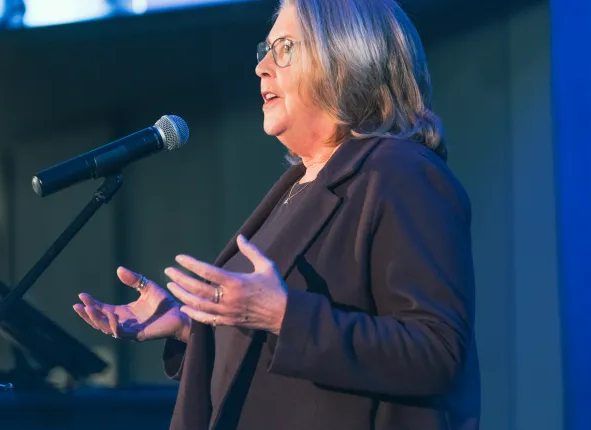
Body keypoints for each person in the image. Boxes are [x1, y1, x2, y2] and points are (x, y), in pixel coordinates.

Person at [73, 0, 480, 428]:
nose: (262, 67)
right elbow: (282, 343)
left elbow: (438, 352)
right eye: (264, 50)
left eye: (284, 48)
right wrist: (195, 324)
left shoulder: (402, 173)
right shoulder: (301, 184)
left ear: (344, 58)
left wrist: (284, 315)